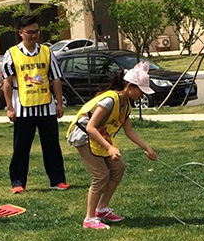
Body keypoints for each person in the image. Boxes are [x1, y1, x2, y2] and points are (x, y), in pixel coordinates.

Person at [66, 62, 158, 230]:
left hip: (99, 136)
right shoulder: (109, 101)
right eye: (141, 91)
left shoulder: (126, 105)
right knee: (100, 176)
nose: (142, 95)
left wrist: (147, 148)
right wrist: (109, 147)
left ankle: (101, 209)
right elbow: (90, 127)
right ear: (130, 86)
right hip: (83, 135)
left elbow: (129, 131)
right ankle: (89, 218)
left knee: (118, 168)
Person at [2, 15, 69, 194]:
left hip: (47, 107)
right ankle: (18, 182)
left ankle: (58, 180)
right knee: (21, 148)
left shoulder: (47, 52)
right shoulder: (12, 53)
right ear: (21, 33)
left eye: (36, 32)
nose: (33, 35)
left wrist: (59, 103)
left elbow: (55, 79)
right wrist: (10, 107)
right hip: (23, 109)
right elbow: (7, 82)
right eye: (29, 32)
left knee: (52, 146)